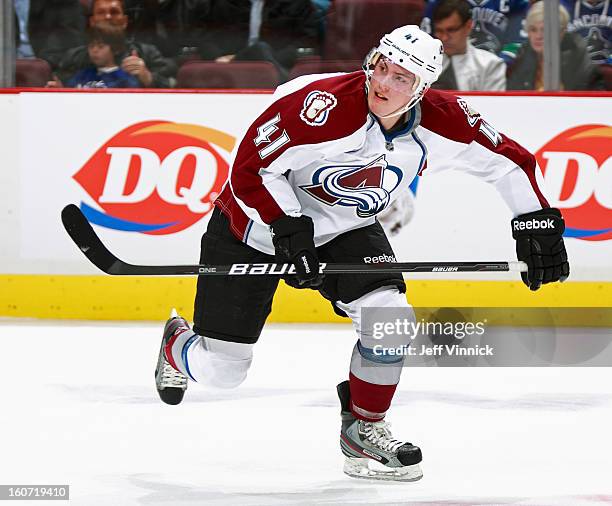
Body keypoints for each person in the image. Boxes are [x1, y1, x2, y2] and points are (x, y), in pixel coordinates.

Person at [154, 25, 569, 481]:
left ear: (423, 87)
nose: (383, 84)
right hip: (252, 228)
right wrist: (288, 229)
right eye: (382, 67)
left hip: (345, 228)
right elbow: (250, 170)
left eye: (402, 78)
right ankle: (178, 346)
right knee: (222, 372)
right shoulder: (322, 107)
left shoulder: (444, 121)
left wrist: (537, 224)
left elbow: (510, 161)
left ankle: (364, 429)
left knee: (390, 321)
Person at [57, 0, 175, 87]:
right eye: (101, 12)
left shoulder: (147, 53)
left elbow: (172, 87)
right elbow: (60, 87)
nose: (108, 17)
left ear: (124, 21)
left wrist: (147, 77)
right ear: (92, 22)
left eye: (114, 12)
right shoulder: (74, 57)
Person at [507, 2, 603, 90]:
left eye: (545, 30)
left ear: (561, 33)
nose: (538, 36)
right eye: (533, 30)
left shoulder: (579, 58)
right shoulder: (523, 56)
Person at [421, 0, 530, 64]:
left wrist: (497, 65)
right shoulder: (437, 3)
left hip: (501, 71)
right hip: (445, 67)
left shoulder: (515, 3)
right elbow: (426, 42)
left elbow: (517, 41)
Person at [430, 0, 506, 90]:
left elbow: (494, 103)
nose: (444, 38)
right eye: (439, 31)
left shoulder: (490, 65)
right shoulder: (423, 61)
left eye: (451, 30)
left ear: (468, 26)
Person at [47, 23, 140, 88]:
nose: (94, 50)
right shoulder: (82, 75)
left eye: (101, 46)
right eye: (91, 46)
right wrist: (59, 91)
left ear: (115, 49)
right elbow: (70, 97)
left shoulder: (124, 79)